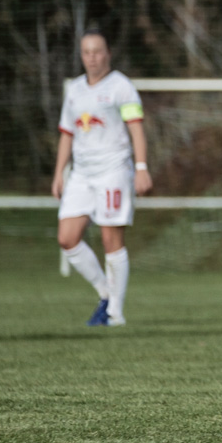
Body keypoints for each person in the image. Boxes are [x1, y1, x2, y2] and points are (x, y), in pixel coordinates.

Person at [53, 31, 152, 326]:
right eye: (86, 52)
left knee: (111, 239)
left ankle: (115, 313)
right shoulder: (74, 90)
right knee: (67, 239)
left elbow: (136, 128)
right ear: (81, 55)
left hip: (114, 170)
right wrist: (59, 172)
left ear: (108, 53)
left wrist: (142, 166)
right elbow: (67, 133)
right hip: (82, 174)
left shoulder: (121, 86)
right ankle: (105, 293)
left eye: (97, 51)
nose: (92, 57)